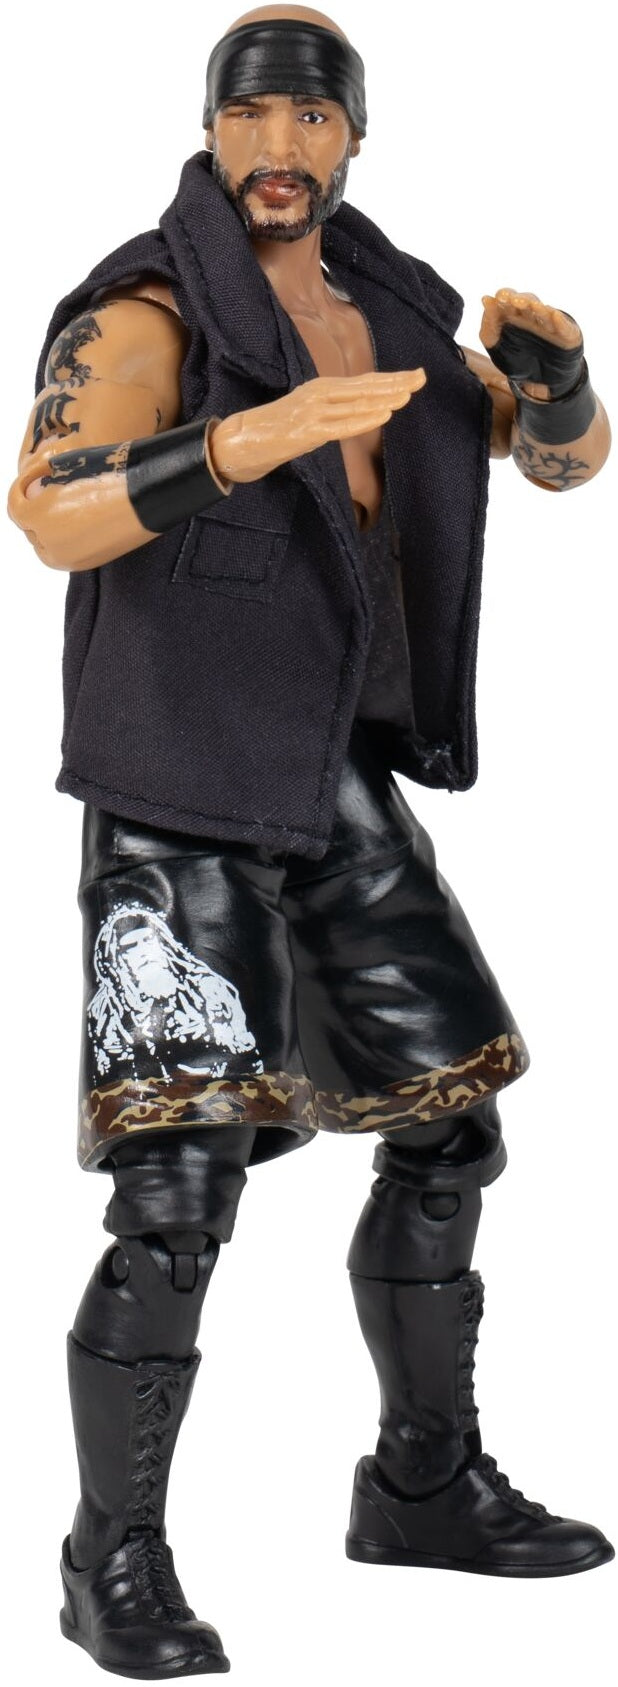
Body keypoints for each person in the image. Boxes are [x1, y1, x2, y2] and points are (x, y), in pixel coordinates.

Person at [7, 4, 614, 1678]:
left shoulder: (386, 308)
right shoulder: (147, 307)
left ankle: (419, 1482)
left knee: (450, 1128)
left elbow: (555, 465)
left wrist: (558, 381)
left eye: (309, 121)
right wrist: (233, 443)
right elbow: (49, 507)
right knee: (176, 1193)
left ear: (351, 137)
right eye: (249, 119)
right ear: (211, 132)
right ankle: (107, 1559)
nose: (277, 151)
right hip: (178, 777)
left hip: (326, 772)